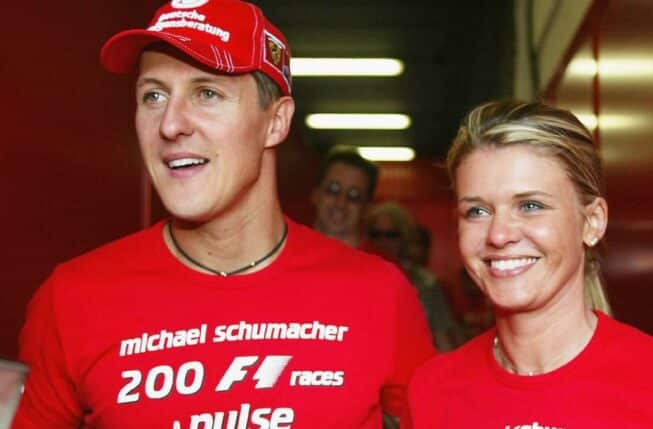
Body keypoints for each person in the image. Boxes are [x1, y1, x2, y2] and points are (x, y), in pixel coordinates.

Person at [12, 1, 435, 428]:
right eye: (153, 95)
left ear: (276, 122)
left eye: (207, 93)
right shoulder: (71, 299)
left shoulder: (378, 295)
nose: (170, 125)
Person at [407, 100, 653, 427]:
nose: (499, 234)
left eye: (530, 205)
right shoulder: (432, 391)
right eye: (477, 211)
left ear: (592, 222)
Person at [366, 202, 462, 352]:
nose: (382, 242)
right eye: (376, 235)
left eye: (391, 235)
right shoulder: (355, 278)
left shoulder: (425, 283)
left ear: (404, 237)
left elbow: (442, 339)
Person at [312, 146, 378, 248]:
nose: (340, 204)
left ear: (367, 207)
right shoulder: (287, 251)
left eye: (353, 196)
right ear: (316, 194)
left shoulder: (378, 259)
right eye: (333, 190)